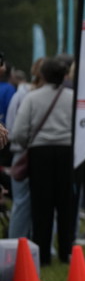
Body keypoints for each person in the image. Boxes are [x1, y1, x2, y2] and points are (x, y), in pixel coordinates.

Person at [10, 57, 76, 265]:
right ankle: (66, 251)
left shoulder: (32, 98)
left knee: (41, 206)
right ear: (64, 75)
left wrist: (28, 143)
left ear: (43, 75)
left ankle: (43, 253)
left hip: (40, 153)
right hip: (67, 152)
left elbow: (18, 131)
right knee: (65, 204)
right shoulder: (73, 98)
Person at [4, 58, 44, 239]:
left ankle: (18, 243)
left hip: (22, 152)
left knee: (23, 202)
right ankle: (32, 244)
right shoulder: (23, 95)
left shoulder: (21, 95)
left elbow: (12, 129)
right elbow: (13, 130)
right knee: (39, 202)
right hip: (34, 154)